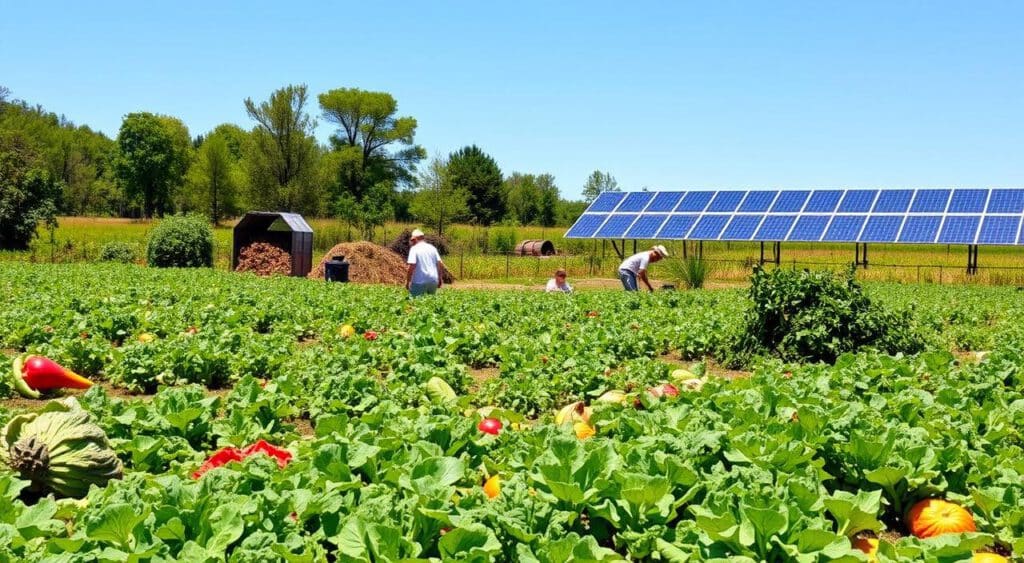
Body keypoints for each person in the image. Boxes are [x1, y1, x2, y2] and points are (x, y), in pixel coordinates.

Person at [405, 229, 445, 296]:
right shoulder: (432, 248)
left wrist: (408, 282)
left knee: (415, 303)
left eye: (413, 240)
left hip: (419, 281)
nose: (412, 242)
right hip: (433, 280)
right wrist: (440, 279)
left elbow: (411, 267)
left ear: (416, 239)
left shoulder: (414, 249)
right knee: (430, 303)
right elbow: (440, 264)